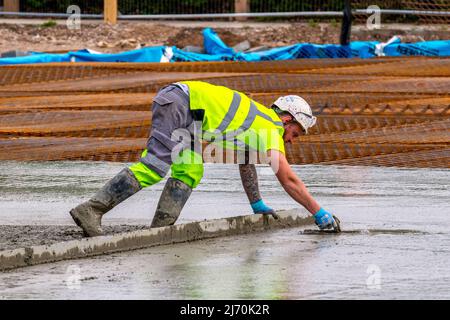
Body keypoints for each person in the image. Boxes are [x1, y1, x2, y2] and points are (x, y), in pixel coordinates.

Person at [70, 81, 340, 237]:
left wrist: (257, 203)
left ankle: (159, 231)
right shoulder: (271, 127)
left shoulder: (259, 123)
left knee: (190, 169)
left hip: (187, 116)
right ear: (287, 119)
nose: (291, 140)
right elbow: (289, 178)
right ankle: (91, 210)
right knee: (155, 166)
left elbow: (246, 162)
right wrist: (318, 212)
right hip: (180, 104)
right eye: (295, 133)